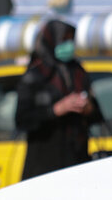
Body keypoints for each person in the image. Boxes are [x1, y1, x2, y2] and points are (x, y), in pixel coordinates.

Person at [15, 20, 101, 180]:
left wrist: (88, 107)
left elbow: (98, 115)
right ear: (52, 40)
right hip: (45, 165)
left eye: (71, 40)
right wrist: (56, 109)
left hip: (78, 161)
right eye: (64, 40)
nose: (68, 45)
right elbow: (22, 120)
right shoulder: (35, 75)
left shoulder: (78, 71)